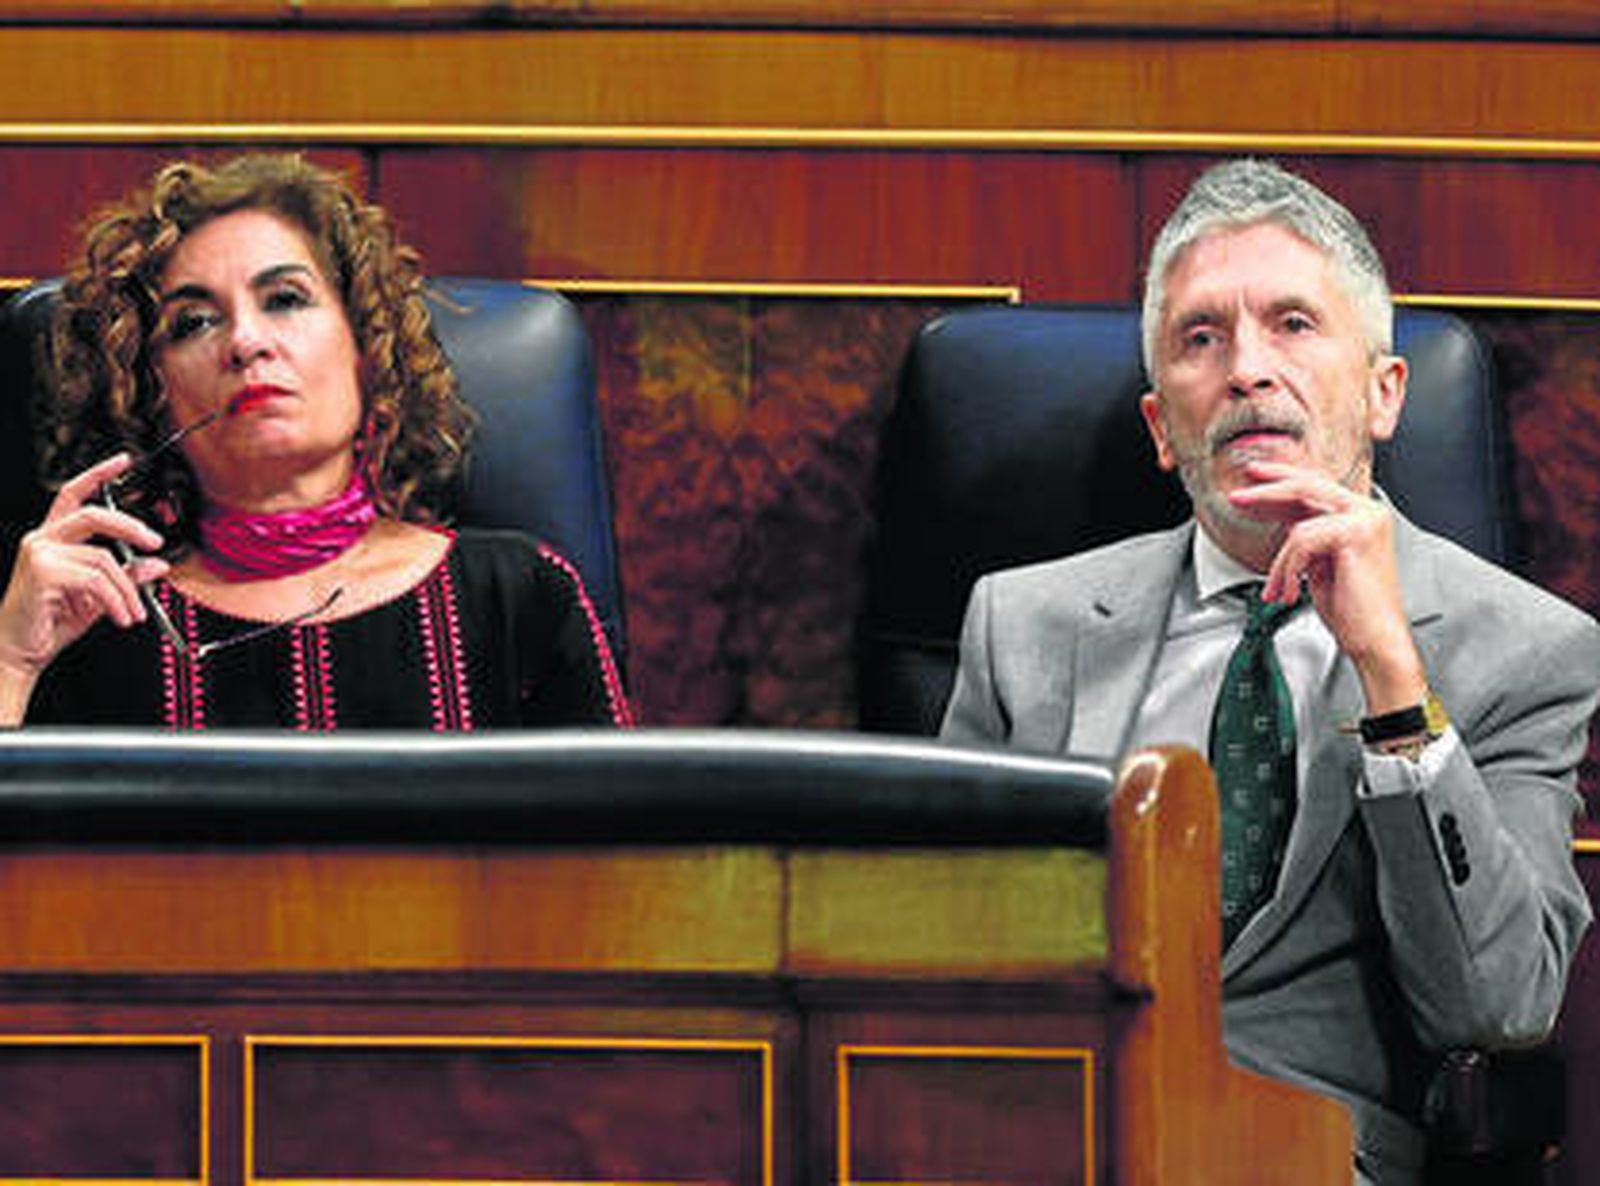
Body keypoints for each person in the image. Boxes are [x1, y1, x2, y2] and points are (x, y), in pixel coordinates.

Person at [941, 158, 1600, 1183]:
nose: (1247, 368)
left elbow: (1497, 1003)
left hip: (1305, 1157)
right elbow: (933, 954)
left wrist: (1391, 677)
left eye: (1293, 324)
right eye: (1201, 338)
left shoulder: (1518, 648)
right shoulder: (1022, 625)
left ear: (1384, 395)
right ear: (1163, 427)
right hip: (1042, 1138)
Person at [0, 153, 632, 729]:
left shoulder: (520, 595)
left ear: (366, 349)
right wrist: (12, 662)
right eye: (192, 322)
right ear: (149, 394)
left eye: (284, 299)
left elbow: (627, 850)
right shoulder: (93, 619)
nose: (246, 341)